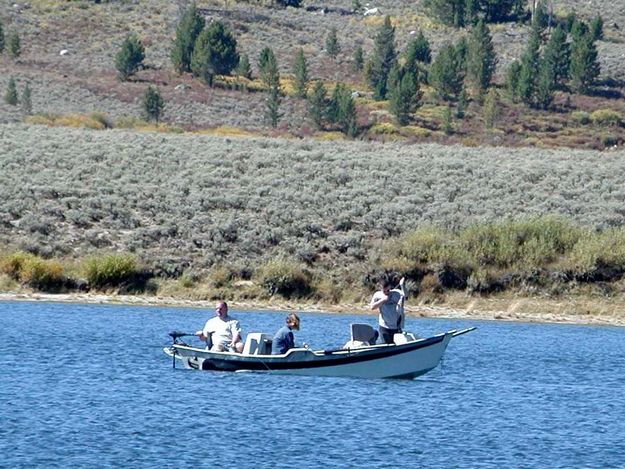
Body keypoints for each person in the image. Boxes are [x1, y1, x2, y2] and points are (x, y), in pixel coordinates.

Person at [370, 276, 406, 344]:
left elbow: (405, 295)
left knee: (396, 346)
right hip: (384, 326)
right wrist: (383, 300)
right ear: (381, 289)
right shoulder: (377, 295)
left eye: (388, 290)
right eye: (384, 291)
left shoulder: (396, 293)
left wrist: (402, 285)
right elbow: (372, 307)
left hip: (396, 326)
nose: (387, 292)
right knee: (386, 345)